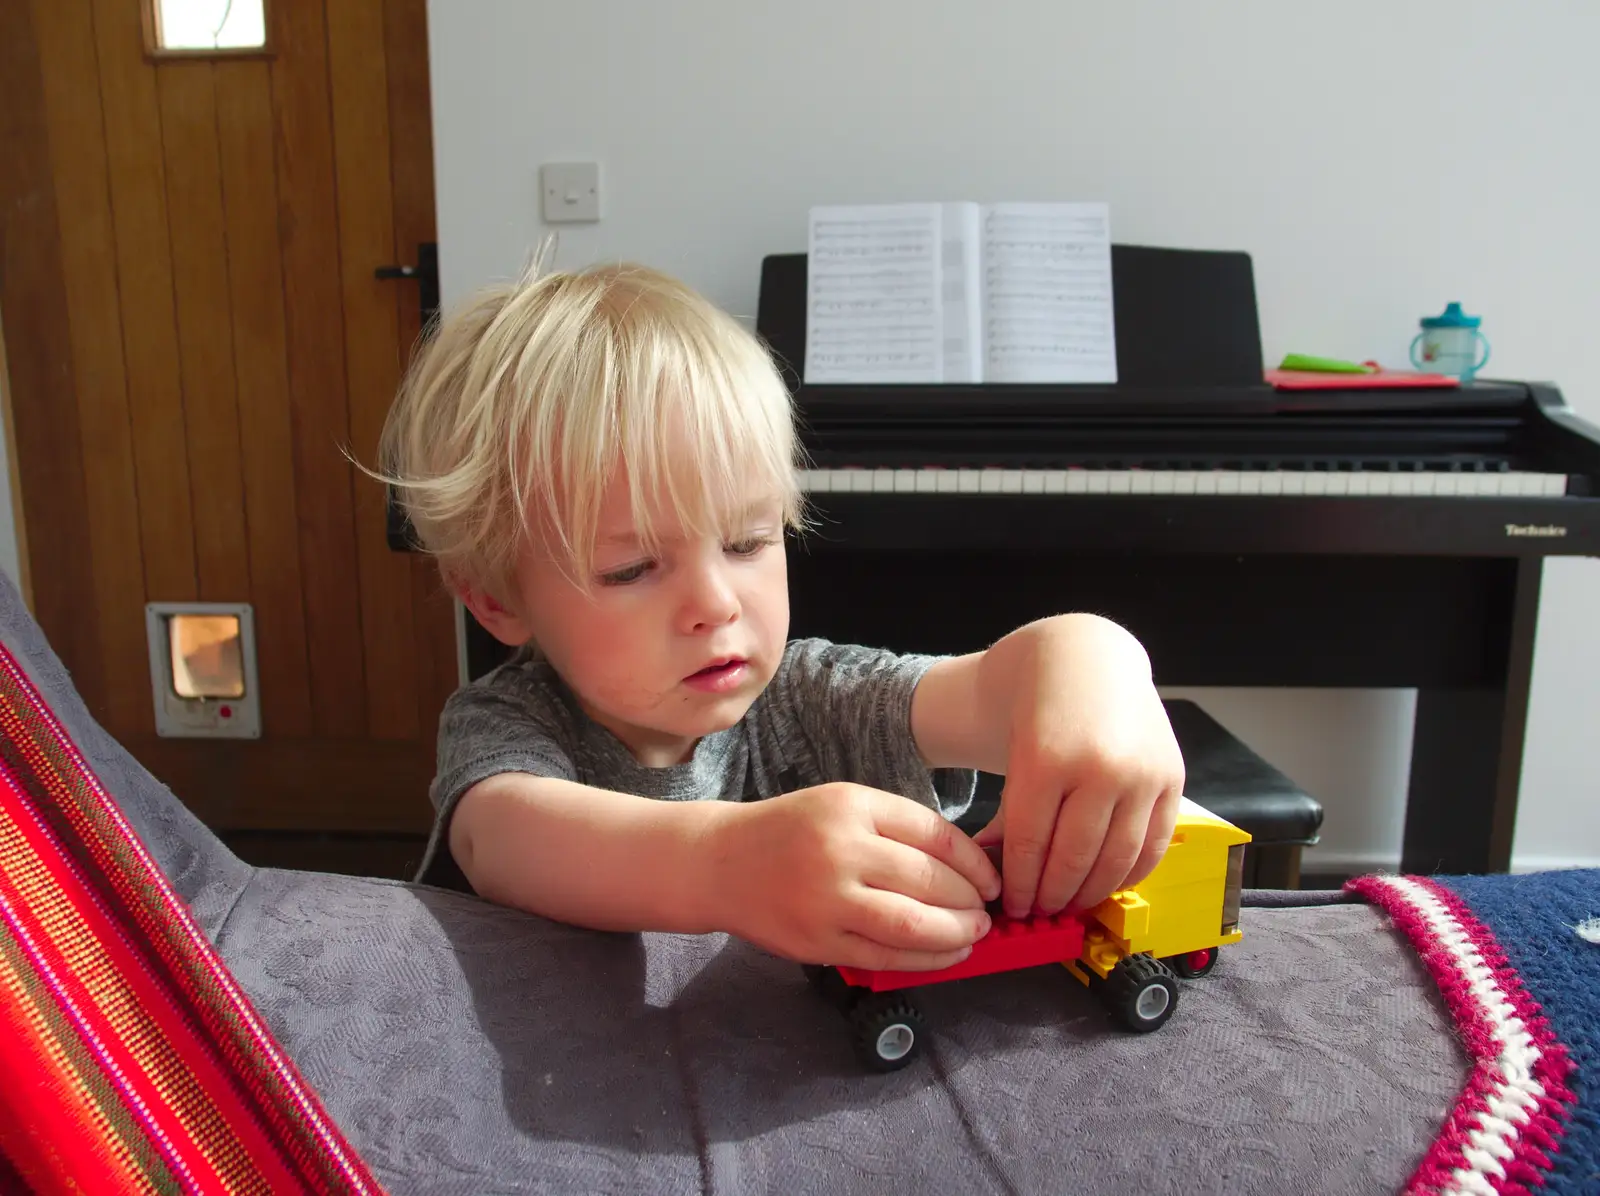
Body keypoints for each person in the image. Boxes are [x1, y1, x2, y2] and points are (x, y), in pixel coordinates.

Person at [372, 252, 1184, 974]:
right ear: (493, 599)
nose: (716, 604)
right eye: (632, 568)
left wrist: (1093, 661)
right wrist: (731, 864)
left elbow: (989, 693)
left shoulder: (805, 696)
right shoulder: (508, 723)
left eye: (748, 541)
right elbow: (508, 839)